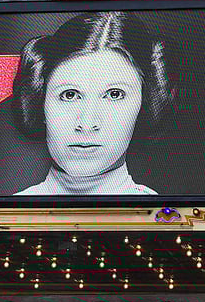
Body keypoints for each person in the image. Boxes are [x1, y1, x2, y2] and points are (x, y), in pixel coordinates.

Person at [11, 11, 172, 195]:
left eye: (114, 94)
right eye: (69, 95)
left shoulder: (168, 219)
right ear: (41, 102)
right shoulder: (0, 218)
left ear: (144, 104)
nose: (87, 124)